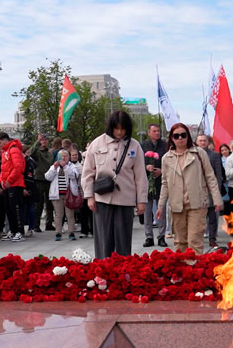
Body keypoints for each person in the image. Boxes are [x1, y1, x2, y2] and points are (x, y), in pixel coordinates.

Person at [82, 110, 147, 259]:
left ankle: (123, 273)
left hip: (125, 199)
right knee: (103, 240)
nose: (119, 132)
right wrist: (89, 196)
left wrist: (141, 200)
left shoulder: (134, 146)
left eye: (123, 129)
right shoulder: (97, 143)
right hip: (102, 199)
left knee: (123, 241)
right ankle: (103, 272)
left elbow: (140, 176)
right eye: (116, 128)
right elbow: (88, 172)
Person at [156, 123, 222, 254]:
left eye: (183, 135)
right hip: (176, 205)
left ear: (188, 136)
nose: (180, 138)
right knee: (180, 242)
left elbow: (210, 177)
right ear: (172, 139)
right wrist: (160, 205)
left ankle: (194, 271)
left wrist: (217, 199)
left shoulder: (199, 153)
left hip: (197, 204)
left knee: (195, 241)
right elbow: (165, 183)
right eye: (176, 136)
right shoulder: (166, 158)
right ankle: (182, 271)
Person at [140, 123, 168, 247]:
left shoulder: (165, 146)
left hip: (161, 181)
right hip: (147, 181)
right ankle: (149, 236)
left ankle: (161, 236)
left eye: (158, 131)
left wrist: (162, 170)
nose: (157, 133)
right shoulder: (143, 146)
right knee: (147, 210)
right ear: (149, 132)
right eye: (154, 131)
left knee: (161, 209)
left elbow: (169, 162)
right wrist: (146, 167)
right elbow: (138, 162)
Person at [196, 134, 224, 248]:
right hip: (197, 192)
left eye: (204, 141)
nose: (203, 143)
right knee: (198, 219)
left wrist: (216, 191)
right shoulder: (192, 155)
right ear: (197, 142)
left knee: (213, 218)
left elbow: (219, 174)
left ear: (208, 142)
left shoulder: (215, 155)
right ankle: (197, 239)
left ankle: (212, 239)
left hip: (211, 191)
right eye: (200, 141)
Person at [0, 135, 27, 242]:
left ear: (5, 140)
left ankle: (19, 231)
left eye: (0, 142)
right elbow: (3, 169)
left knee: (16, 209)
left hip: (15, 184)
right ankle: (13, 230)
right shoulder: (5, 152)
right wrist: (1, 180)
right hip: (7, 185)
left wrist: (9, 180)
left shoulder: (14, 150)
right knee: (9, 209)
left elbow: (18, 167)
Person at [45, 150, 79, 241]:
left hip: (69, 195)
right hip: (57, 195)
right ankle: (58, 233)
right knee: (58, 215)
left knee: (70, 215)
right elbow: (47, 177)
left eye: (65, 156)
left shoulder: (72, 166)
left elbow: (74, 176)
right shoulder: (54, 166)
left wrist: (65, 167)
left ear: (68, 157)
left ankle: (71, 232)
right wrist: (54, 169)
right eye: (61, 156)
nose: (63, 158)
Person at [29, 134, 54, 232]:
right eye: (42, 140)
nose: (44, 142)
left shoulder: (50, 153)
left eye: (46, 140)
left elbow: (51, 164)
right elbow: (31, 152)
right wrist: (37, 142)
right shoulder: (38, 152)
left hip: (48, 180)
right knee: (38, 204)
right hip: (39, 179)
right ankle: (36, 224)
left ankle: (49, 223)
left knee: (49, 203)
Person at [69, 148, 91, 238]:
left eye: (76, 155)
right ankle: (84, 230)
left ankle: (91, 230)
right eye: (73, 155)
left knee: (89, 212)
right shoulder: (72, 166)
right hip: (78, 192)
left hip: (87, 191)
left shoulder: (85, 166)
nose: (74, 156)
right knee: (82, 213)